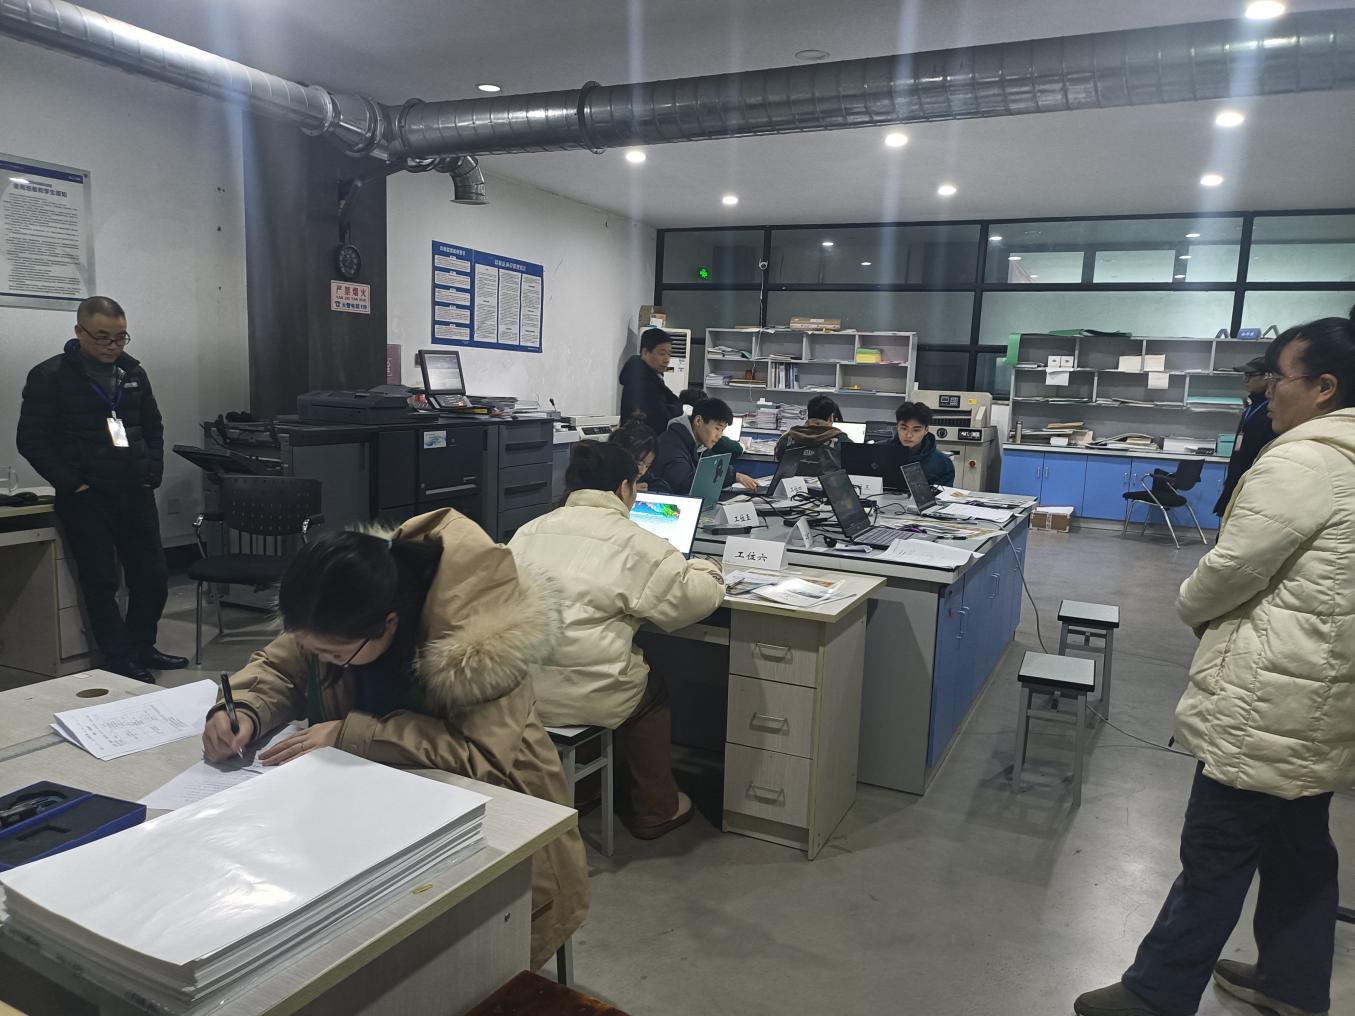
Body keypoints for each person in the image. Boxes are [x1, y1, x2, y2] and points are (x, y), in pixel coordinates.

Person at [1074, 314, 1355, 1016]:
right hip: (1324, 693)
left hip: (1269, 694)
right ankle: (1291, 985)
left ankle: (1156, 994)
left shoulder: (1304, 460)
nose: (1266, 394)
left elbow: (1230, 570)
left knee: (1215, 849)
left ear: (1323, 386)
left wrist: (1189, 604)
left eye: (1278, 378)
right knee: (1299, 850)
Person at [201, 509, 589, 971]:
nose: (323, 659)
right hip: (374, 804)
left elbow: (480, 758)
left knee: (445, 961)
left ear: (387, 625)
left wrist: (351, 734)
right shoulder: (335, 607)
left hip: (499, 814)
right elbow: (279, 667)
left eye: (335, 654)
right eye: (313, 649)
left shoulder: (481, 645)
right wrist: (245, 708)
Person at [509, 442, 725, 839]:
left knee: (592, 665)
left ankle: (584, 787)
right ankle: (657, 808)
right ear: (624, 487)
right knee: (650, 690)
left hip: (519, 687)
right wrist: (710, 569)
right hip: (585, 693)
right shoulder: (637, 542)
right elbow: (692, 600)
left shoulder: (528, 531)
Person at [15, 296, 185, 683]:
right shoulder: (50, 376)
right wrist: (72, 483)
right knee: (101, 580)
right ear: (79, 332)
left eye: (121, 337)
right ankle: (119, 657)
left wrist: (151, 472)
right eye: (102, 337)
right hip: (87, 497)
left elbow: (152, 426)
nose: (112, 345)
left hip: (134, 490)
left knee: (152, 575)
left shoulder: (133, 372)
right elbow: (31, 439)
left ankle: (143, 645)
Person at [1213, 356, 1276, 517]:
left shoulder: (1271, 411)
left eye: (1250, 376)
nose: (1245, 380)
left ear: (1268, 377)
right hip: (1236, 478)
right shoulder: (1252, 407)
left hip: (1253, 484)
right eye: (1244, 376)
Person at [652, 396, 756, 494]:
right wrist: (731, 477)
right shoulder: (672, 444)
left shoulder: (699, 445)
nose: (719, 436)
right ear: (698, 421)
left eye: (722, 430)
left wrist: (733, 475)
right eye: (717, 428)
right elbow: (684, 484)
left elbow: (711, 468)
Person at [618, 327, 682, 433]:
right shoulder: (641, 381)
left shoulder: (652, 376)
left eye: (669, 354)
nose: (667, 359)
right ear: (645, 352)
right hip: (641, 441)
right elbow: (663, 419)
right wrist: (675, 408)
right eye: (662, 353)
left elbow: (675, 402)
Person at [773, 395, 851, 474]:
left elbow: (778, 458)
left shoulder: (787, 438)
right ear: (831, 417)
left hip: (791, 481)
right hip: (828, 481)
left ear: (808, 415)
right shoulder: (842, 441)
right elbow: (853, 469)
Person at [888, 401, 955, 486]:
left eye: (916, 430)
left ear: (926, 430)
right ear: (897, 427)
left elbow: (944, 494)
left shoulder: (943, 464)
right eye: (904, 428)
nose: (909, 435)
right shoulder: (878, 452)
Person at [608, 421, 658, 491]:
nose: (642, 472)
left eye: (647, 466)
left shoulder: (645, 478)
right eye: (639, 464)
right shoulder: (601, 476)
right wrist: (627, 490)